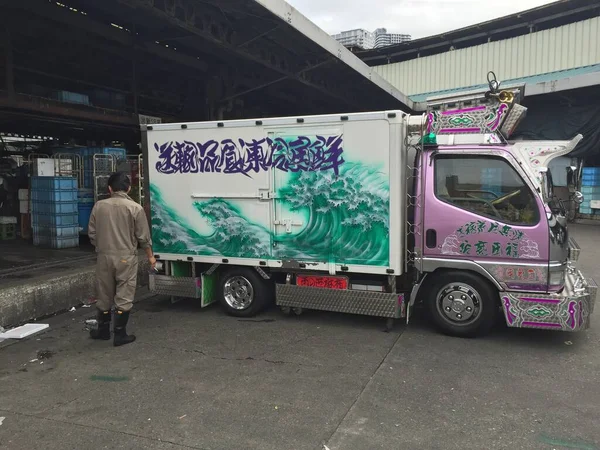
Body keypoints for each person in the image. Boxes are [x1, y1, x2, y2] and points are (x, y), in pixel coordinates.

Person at [87, 171, 156, 346]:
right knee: (124, 294)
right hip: (126, 258)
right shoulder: (135, 208)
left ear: (110, 188)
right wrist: (150, 257)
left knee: (104, 293)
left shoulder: (98, 206)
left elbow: (92, 234)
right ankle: (120, 334)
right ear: (129, 188)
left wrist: (102, 247)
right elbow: (143, 237)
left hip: (103, 256)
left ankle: (103, 332)